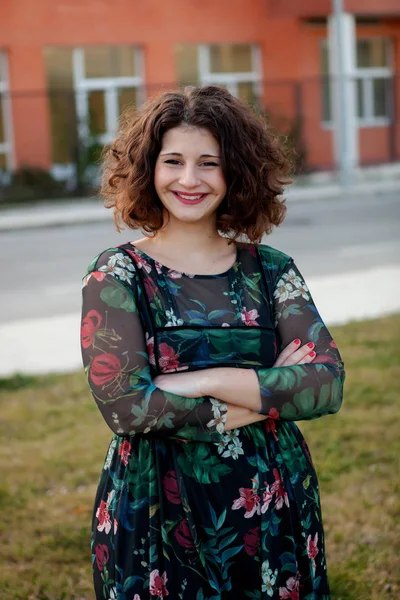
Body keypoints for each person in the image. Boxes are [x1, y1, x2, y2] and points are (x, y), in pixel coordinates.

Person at [80, 85, 345, 600]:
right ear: (147, 169)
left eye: (209, 163)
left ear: (238, 172)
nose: (189, 179)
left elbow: (326, 385)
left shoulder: (272, 271)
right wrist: (264, 395)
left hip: (270, 499)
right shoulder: (117, 274)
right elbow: (129, 408)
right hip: (158, 503)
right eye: (173, 161)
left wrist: (205, 380)